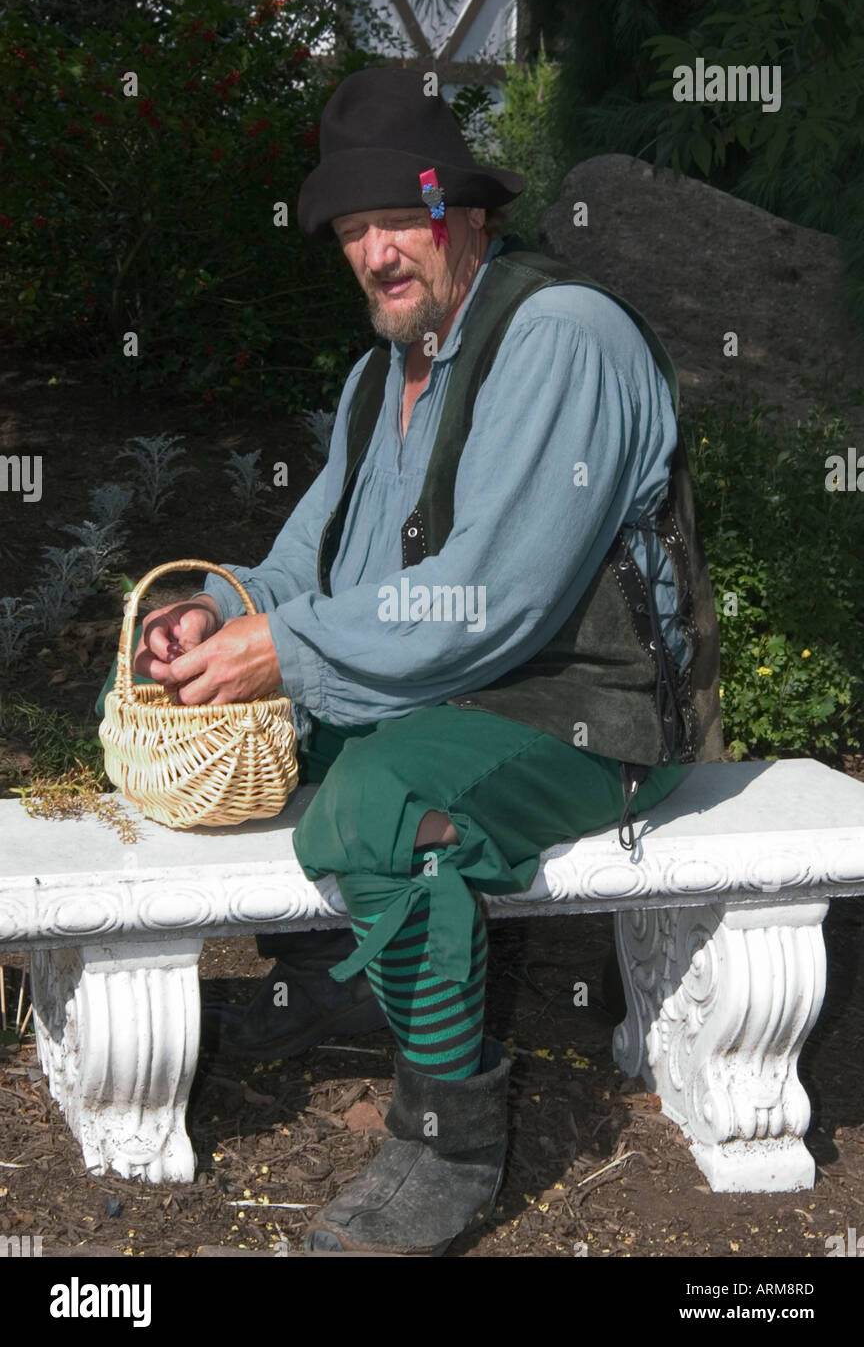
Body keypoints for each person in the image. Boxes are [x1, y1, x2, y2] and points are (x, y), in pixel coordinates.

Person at [122, 67, 723, 1255]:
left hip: (596, 713)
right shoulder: (374, 382)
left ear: (473, 214)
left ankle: (446, 1134)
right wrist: (215, 612)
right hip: (470, 688)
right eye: (354, 229)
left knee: (379, 803)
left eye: (405, 215)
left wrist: (285, 649)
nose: (379, 249)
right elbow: (310, 574)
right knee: (285, 732)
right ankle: (353, 975)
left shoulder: (559, 335)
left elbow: (485, 602)